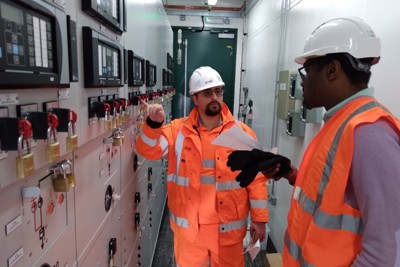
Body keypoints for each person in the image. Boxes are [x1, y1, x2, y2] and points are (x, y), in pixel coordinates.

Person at [278, 17, 400, 266]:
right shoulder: (340, 121)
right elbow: (330, 199)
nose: (302, 81)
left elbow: (385, 252)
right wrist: (291, 174)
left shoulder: (370, 132)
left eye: (307, 71)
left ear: (332, 70)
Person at [136, 66, 269, 266]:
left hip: (228, 232)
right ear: (195, 98)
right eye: (207, 93)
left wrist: (259, 219)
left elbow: (256, 179)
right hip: (190, 233)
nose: (214, 97)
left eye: (218, 91)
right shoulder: (178, 131)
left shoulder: (242, 134)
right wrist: (154, 124)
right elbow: (149, 150)